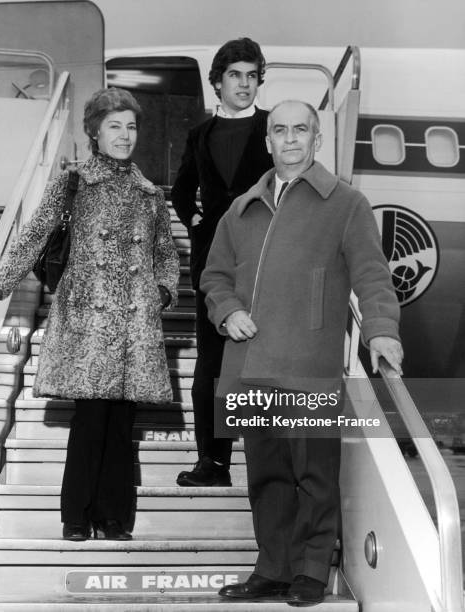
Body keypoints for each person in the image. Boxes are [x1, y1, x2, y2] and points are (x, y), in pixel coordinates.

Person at [201, 100, 403, 605]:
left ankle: (311, 572)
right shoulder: (241, 208)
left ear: (316, 139)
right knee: (267, 477)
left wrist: (380, 329)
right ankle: (272, 568)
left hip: (310, 369)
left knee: (314, 475)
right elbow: (213, 276)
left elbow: (373, 275)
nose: (290, 138)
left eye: (301, 130)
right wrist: (226, 310)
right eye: (279, 130)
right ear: (267, 140)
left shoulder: (346, 205)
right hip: (250, 369)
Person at [0, 88, 180, 542]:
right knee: (90, 422)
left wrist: (163, 291)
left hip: (134, 324)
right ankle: (76, 517)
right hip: (88, 321)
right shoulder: (75, 182)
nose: (125, 135)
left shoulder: (150, 193)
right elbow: (35, 234)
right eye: (115, 126)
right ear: (95, 133)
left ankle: (115, 517)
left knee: (122, 427)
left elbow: (165, 254)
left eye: (131, 126)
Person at [171, 37, 273, 487]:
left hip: (264, 258)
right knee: (210, 364)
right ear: (218, 82)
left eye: (252, 76)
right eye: (236, 76)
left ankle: (268, 461)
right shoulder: (200, 135)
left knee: (263, 361)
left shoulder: (275, 127)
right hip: (213, 260)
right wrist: (197, 224)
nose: (245, 84)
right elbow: (179, 190)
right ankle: (212, 463)